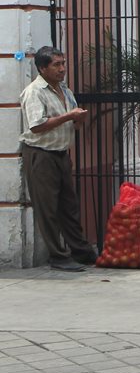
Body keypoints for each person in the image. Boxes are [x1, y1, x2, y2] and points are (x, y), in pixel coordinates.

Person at [19, 46, 95, 272]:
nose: (62, 69)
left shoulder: (64, 90)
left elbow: (71, 121)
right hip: (41, 154)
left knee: (68, 206)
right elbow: (37, 125)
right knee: (48, 208)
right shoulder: (35, 92)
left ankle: (80, 250)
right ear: (43, 68)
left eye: (63, 63)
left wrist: (77, 119)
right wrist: (68, 116)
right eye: (56, 65)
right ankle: (58, 256)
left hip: (61, 153)